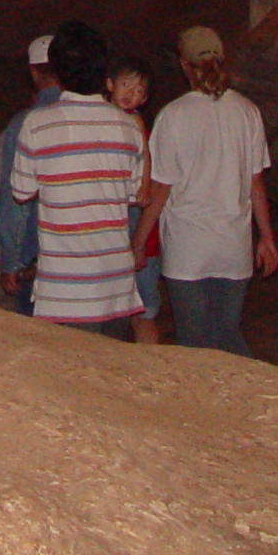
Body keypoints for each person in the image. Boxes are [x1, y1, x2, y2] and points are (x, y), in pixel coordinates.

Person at [147, 25, 278, 356]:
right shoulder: (247, 111)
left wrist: (138, 240)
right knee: (224, 335)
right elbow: (255, 182)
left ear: (183, 64)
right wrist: (266, 237)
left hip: (187, 250)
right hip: (233, 247)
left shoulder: (173, 115)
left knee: (194, 343)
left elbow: (161, 188)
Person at [10, 21, 146, 335]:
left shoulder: (37, 124)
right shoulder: (128, 127)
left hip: (64, 291)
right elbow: (132, 194)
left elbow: (21, 191)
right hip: (115, 286)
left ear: (57, 70)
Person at [0, 33, 60, 312]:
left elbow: (13, 195)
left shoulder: (24, 123)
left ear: (33, 73)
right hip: (71, 252)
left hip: (28, 247)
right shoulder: (100, 116)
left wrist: (11, 258)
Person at [108, 62, 167, 345]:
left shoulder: (136, 121)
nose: (130, 94)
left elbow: (146, 157)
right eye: (126, 86)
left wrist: (143, 186)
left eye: (138, 91)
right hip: (110, 207)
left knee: (143, 310)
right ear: (110, 85)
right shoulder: (101, 117)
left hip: (131, 204)